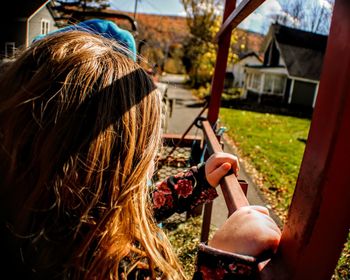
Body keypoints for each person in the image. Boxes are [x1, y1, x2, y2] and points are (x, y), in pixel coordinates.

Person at [0, 30, 281, 279]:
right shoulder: (112, 263)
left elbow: (130, 204)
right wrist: (221, 264)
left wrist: (197, 182)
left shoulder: (41, 217)